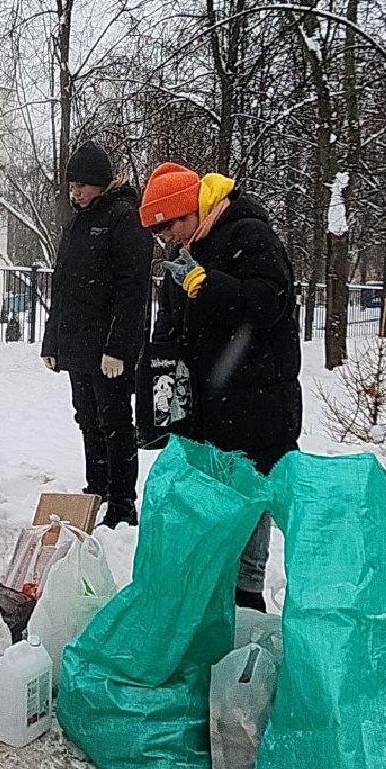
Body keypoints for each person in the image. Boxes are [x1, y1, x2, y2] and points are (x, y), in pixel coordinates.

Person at [138, 161, 301, 611]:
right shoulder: (183, 254)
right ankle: (213, 602)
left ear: (189, 209)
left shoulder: (249, 234)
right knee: (214, 503)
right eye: (159, 232)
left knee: (250, 501)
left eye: (168, 225)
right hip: (209, 407)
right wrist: (156, 383)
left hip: (257, 403)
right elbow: (172, 328)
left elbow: (270, 303)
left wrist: (208, 286)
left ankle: (247, 600)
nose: (166, 237)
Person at [40, 141, 155, 528]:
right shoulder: (77, 223)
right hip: (77, 345)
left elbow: (132, 288)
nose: (77, 192)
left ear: (101, 184)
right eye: (73, 186)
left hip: (108, 350)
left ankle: (122, 505)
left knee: (115, 422)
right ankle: (98, 491)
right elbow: (63, 285)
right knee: (87, 420)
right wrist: (51, 342)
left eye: (84, 186)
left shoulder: (124, 218)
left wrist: (119, 348)